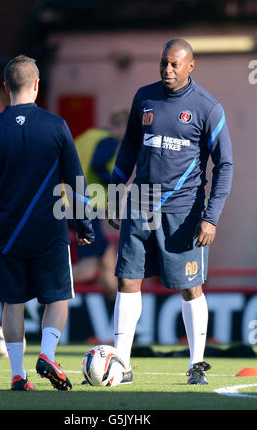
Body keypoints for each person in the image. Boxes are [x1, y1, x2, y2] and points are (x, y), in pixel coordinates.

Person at [108, 39, 233, 385]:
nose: (167, 70)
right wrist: (117, 193)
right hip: (141, 203)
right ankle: (122, 364)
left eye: (175, 64)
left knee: (191, 288)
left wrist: (211, 217)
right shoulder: (143, 97)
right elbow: (129, 146)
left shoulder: (208, 108)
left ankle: (196, 366)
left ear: (191, 66)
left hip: (185, 212)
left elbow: (225, 165)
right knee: (127, 280)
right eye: (164, 63)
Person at [0, 55, 94, 391]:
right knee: (57, 298)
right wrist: (84, 226)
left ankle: (17, 374)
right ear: (37, 85)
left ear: (6, 86)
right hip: (49, 231)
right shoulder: (56, 126)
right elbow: (76, 180)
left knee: (13, 301)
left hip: (7, 234)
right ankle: (48, 354)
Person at [70, 109, 129, 301]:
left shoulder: (89, 136)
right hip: (84, 206)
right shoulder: (110, 140)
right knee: (88, 268)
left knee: (106, 254)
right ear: (121, 127)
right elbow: (98, 166)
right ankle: (41, 281)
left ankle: (115, 301)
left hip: (66, 201)